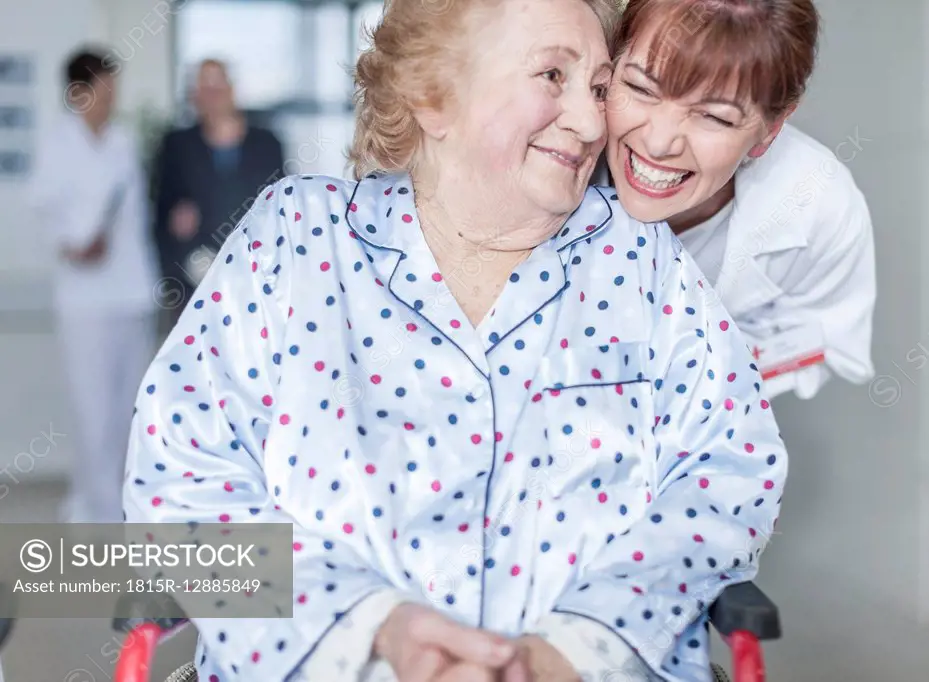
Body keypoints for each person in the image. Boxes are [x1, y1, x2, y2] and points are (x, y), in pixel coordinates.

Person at [123, 1, 788, 681]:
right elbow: (183, 482)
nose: (593, 123)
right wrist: (377, 631)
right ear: (432, 96)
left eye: (598, 87)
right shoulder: (293, 237)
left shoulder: (642, 263)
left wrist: (578, 645)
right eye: (551, 76)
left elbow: (726, 476)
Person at [600, 0, 876, 400]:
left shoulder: (818, 206)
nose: (659, 143)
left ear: (770, 129)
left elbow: (827, 339)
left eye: (714, 117)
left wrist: (710, 370)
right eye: (641, 88)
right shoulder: (551, 154)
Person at [27, 48, 159, 524]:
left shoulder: (122, 140)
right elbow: (45, 212)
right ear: (79, 92)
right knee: (93, 412)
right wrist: (72, 245)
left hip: (130, 291)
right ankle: (99, 515)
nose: (112, 97)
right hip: (84, 300)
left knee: (129, 409)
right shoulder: (58, 143)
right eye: (105, 88)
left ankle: (114, 506)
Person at [151, 58, 284, 332]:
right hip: (194, 280)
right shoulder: (176, 146)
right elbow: (159, 213)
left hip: (254, 278)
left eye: (217, 85)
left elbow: (279, 209)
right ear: (193, 95)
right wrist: (175, 224)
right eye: (204, 87)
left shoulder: (266, 144)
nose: (212, 95)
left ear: (232, 89)